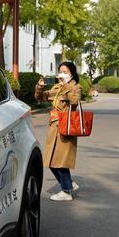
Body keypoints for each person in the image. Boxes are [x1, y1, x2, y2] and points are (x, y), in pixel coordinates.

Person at [35, 62, 83, 202]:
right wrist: (40, 87)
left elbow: (74, 101)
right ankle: (69, 185)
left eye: (65, 72)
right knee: (50, 161)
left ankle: (66, 191)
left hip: (66, 127)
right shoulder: (57, 87)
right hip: (54, 127)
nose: (61, 74)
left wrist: (65, 86)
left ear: (71, 74)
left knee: (60, 161)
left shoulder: (75, 87)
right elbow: (41, 97)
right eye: (60, 71)